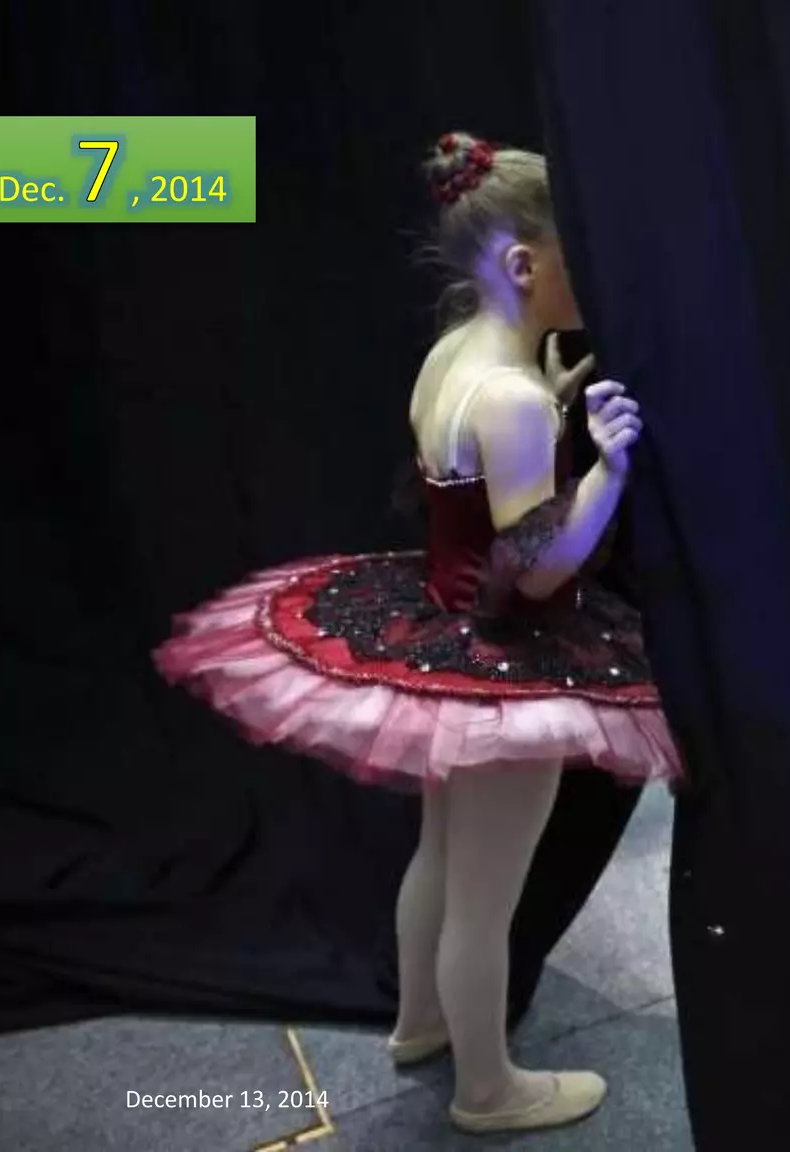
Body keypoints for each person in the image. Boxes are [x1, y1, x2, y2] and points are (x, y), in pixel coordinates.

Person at [153, 131, 683, 1135]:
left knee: (439, 855)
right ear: (525, 265)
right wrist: (605, 469)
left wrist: (552, 410)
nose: (593, 282)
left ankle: (418, 1024)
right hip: (505, 665)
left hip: (434, 633)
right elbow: (538, 569)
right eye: (579, 261)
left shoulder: (454, 354)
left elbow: (466, 488)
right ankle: (489, 1090)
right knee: (486, 898)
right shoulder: (516, 396)